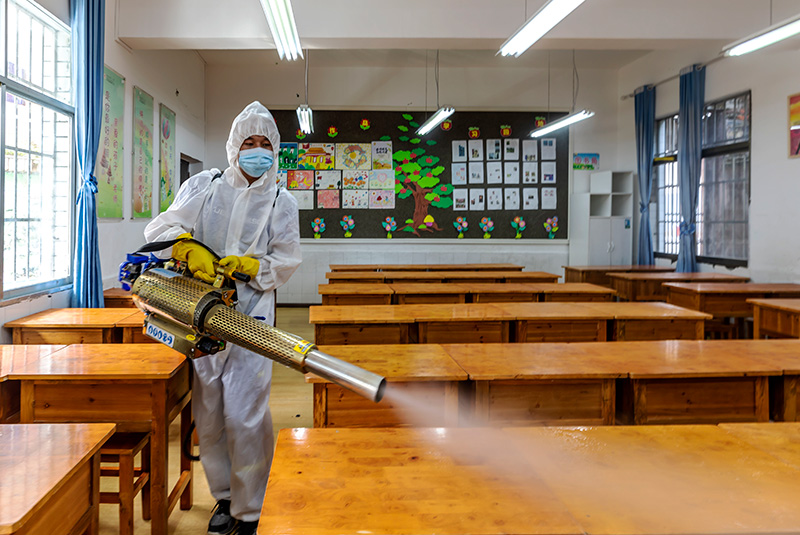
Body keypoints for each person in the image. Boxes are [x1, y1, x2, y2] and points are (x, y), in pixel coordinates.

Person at [144, 101, 301, 535]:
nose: (256, 151)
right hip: (201, 316)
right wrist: (184, 246)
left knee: (247, 413)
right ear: (234, 146)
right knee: (209, 410)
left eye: (265, 144)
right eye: (248, 142)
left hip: (252, 319)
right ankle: (225, 498)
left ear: (275, 149)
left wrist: (255, 267)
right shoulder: (205, 187)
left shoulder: (281, 202)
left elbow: (287, 261)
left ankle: (250, 510)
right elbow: (159, 230)